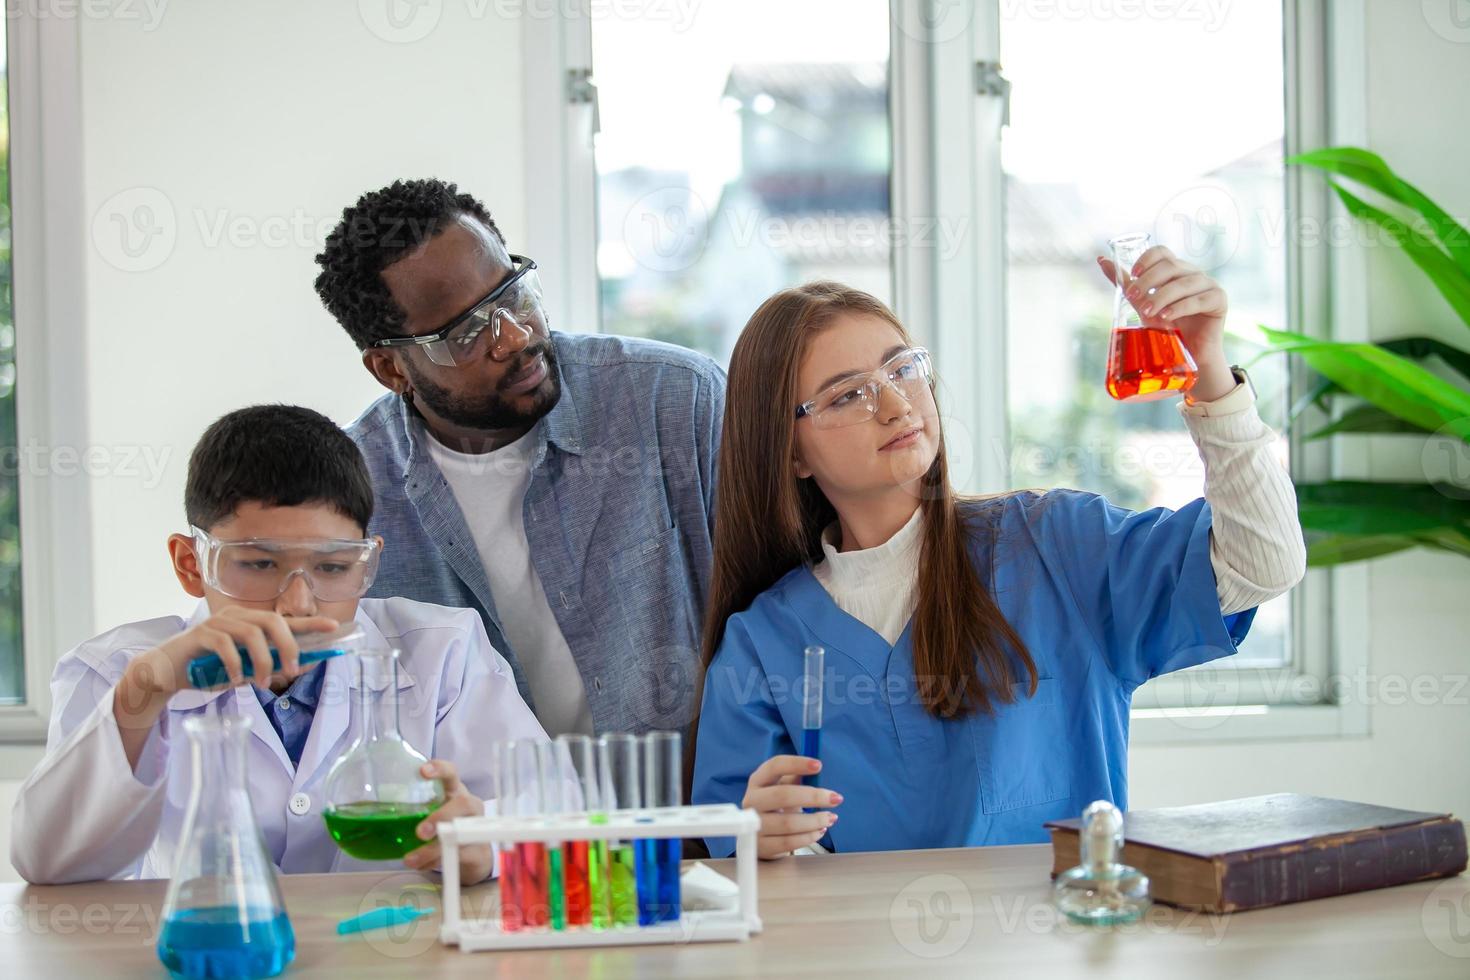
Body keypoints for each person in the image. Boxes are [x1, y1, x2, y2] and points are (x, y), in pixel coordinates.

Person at [692, 252, 1307, 859]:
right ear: (790, 452)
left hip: (1066, 950)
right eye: (849, 395)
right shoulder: (763, 643)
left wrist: (1211, 375)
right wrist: (763, 842)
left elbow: (1265, 562)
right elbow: (752, 855)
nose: (897, 405)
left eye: (902, 370)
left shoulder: (1056, 545)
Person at [10, 405, 547, 884]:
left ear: (368, 561)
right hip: (213, 959)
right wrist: (145, 694)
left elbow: (553, 819)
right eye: (260, 564)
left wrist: (486, 842)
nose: (298, 604)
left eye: (333, 567)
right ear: (191, 564)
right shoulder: (119, 671)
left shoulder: (443, 653)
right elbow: (48, 865)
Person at [313, 179, 724, 738]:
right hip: (483, 822)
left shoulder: (675, 402)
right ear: (391, 370)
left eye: (512, 294)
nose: (514, 336)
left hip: (694, 814)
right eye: (464, 333)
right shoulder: (349, 495)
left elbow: (782, 612)